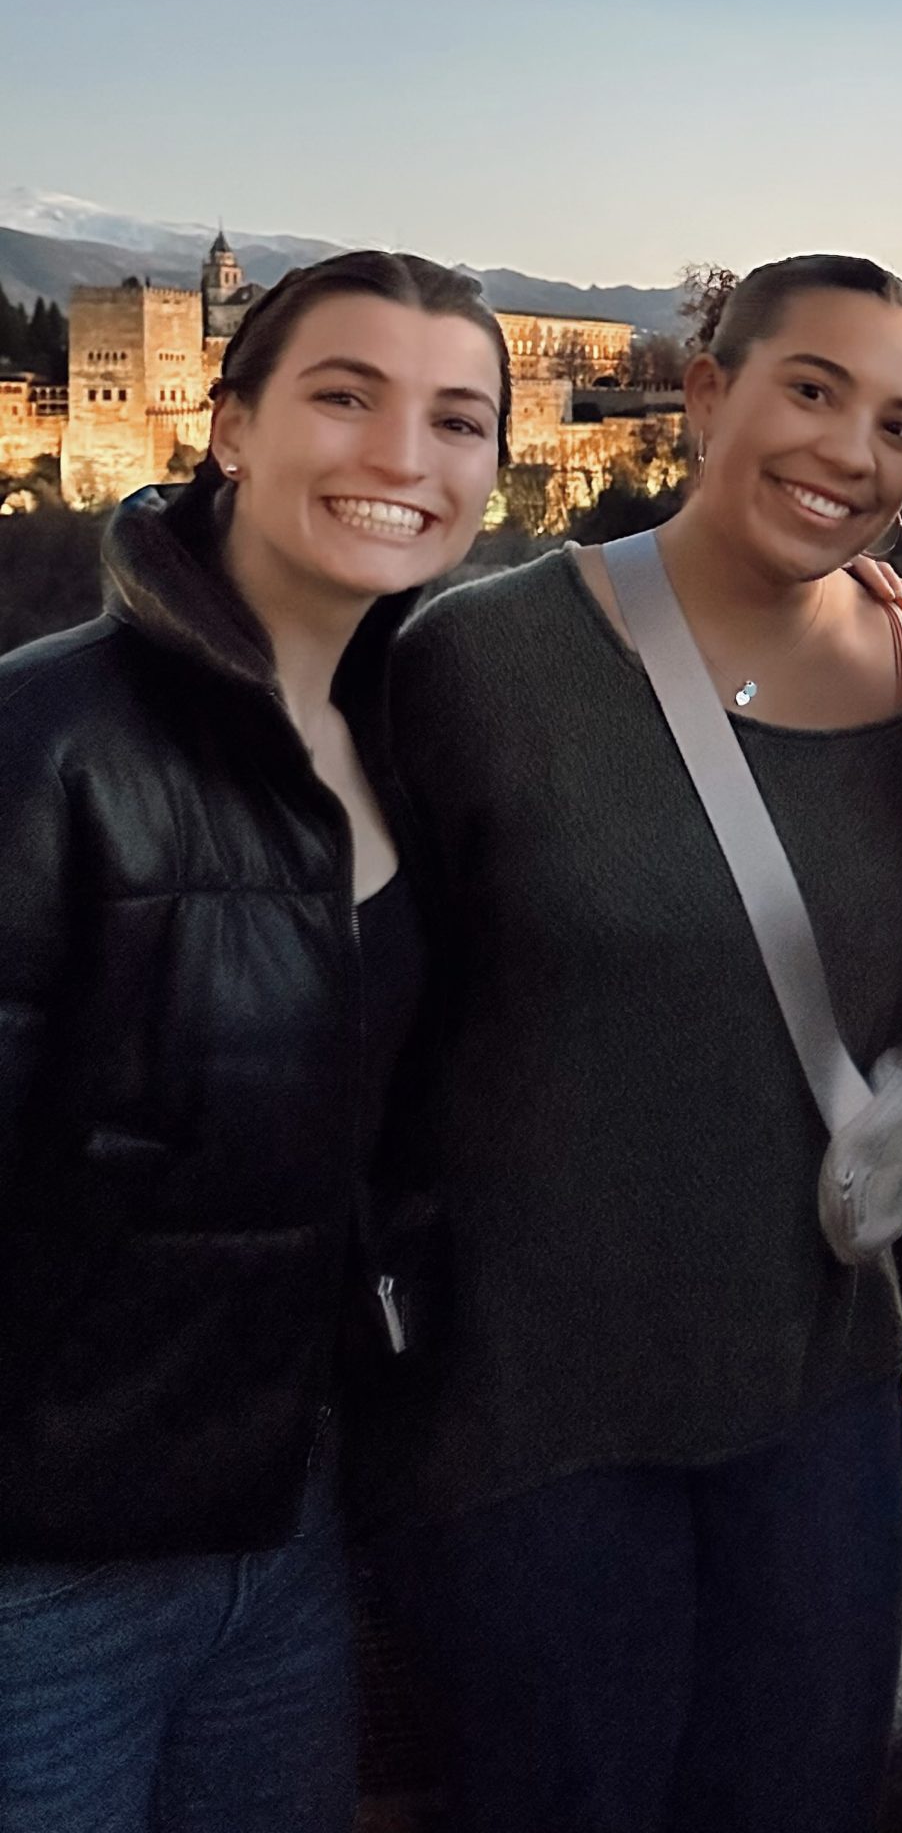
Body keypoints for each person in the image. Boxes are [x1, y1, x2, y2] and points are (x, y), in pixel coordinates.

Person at [382, 253, 902, 1833]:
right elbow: (365, 1013)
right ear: (708, 393)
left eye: (899, 425)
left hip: (818, 1399)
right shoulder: (485, 663)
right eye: (813, 390)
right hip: (536, 1418)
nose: (852, 453)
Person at [0, 251, 509, 1833]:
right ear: (227, 425)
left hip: (287, 1542)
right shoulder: (49, 741)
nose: (401, 459)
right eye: (344, 398)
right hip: (46, 1575)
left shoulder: (403, 744)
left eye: (457, 420)